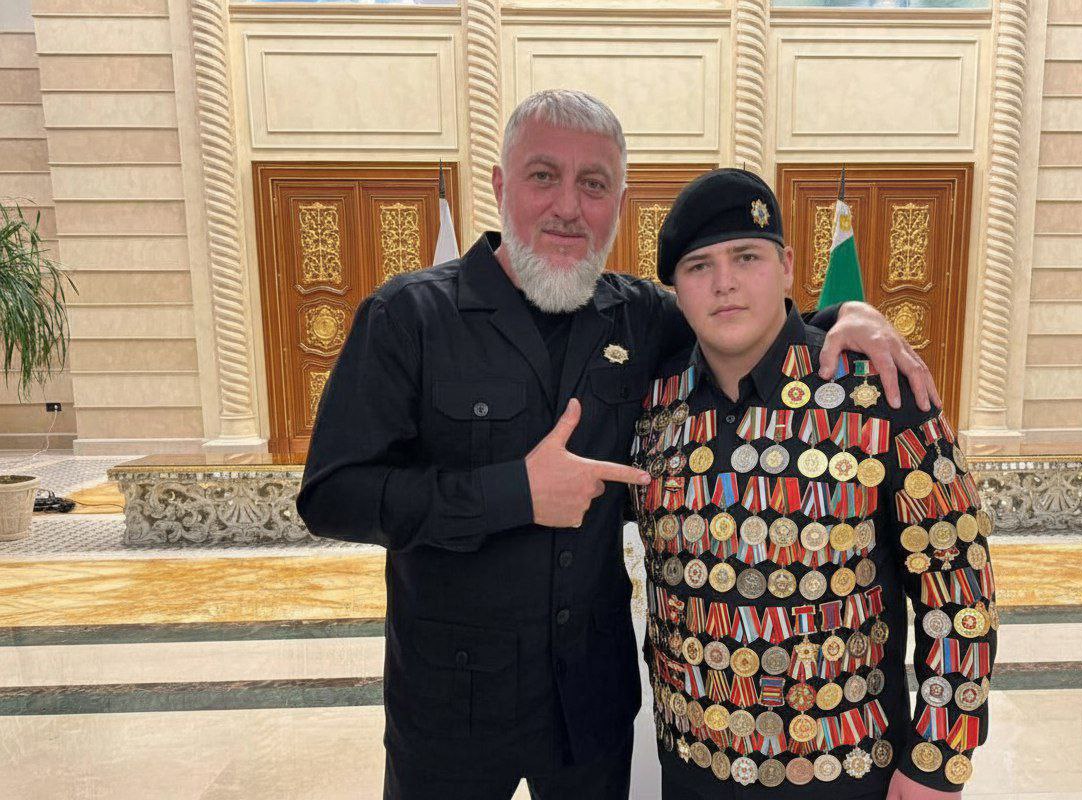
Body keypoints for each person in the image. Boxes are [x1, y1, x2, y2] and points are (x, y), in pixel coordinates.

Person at [295, 90, 941, 800]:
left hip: (590, 710)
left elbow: (742, 319)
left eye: (594, 184)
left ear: (619, 205)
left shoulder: (638, 316)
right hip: (452, 710)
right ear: (501, 186)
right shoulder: (407, 317)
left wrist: (850, 314)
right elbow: (332, 494)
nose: (568, 206)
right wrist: (515, 493)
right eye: (544, 176)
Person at [632, 168, 997, 799]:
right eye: (698, 266)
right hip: (693, 768)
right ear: (678, 294)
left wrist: (937, 760)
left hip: (846, 768)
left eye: (746, 257)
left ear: (787, 267)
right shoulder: (653, 406)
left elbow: (958, 583)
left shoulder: (880, 392)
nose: (724, 282)